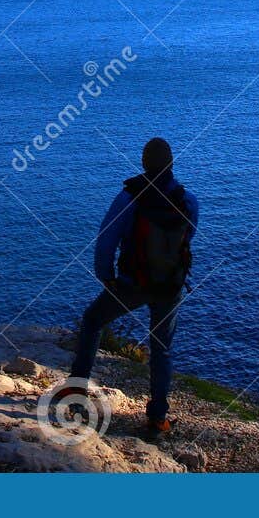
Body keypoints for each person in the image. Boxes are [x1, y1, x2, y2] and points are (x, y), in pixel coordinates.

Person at [65, 137, 198, 437]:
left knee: (92, 321)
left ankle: (75, 396)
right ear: (172, 164)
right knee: (162, 348)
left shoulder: (129, 198)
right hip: (170, 288)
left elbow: (105, 243)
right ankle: (158, 418)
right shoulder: (188, 201)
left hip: (132, 283)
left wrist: (107, 277)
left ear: (143, 163)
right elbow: (187, 239)